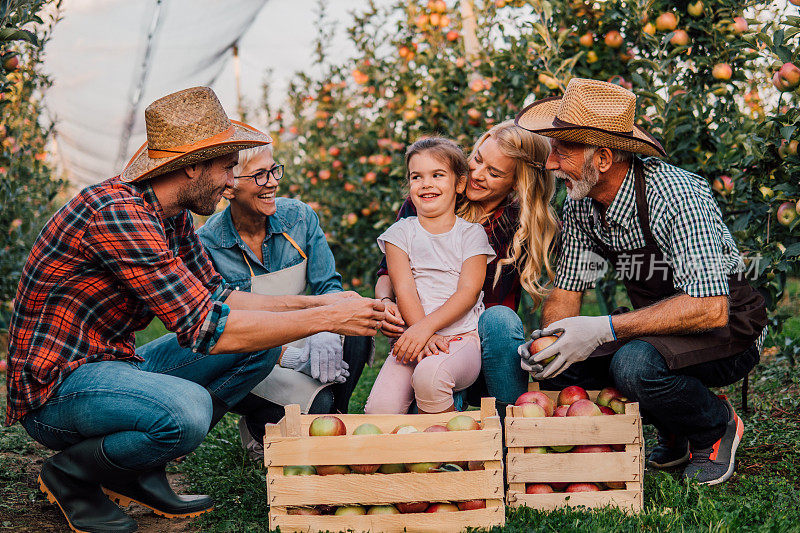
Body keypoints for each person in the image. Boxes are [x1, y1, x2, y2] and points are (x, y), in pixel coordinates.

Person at [5, 86, 385, 533]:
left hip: (114, 364)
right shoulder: (118, 215)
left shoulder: (171, 213)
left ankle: (137, 469)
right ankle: (72, 475)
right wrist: (326, 320)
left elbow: (218, 295)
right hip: (57, 387)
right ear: (191, 168)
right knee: (187, 412)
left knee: (256, 351)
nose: (231, 181)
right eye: (227, 168)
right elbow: (204, 327)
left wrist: (321, 301)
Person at [514, 78, 767, 485]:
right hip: (662, 327)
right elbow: (567, 289)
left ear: (604, 158)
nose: (550, 163)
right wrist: (551, 339)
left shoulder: (677, 195)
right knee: (560, 369)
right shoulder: (582, 203)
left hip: (728, 328)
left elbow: (709, 306)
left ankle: (713, 425)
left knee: (633, 365)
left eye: (563, 151)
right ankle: (674, 428)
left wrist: (605, 328)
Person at [142, 142, 372, 463]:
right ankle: (261, 424)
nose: (273, 182)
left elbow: (327, 285)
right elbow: (223, 325)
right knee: (317, 404)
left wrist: (327, 330)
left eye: (274, 170)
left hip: (300, 332)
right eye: (260, 175)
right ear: (229, 187)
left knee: (357, 327)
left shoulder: (299, 219)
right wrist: (291, 357)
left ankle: (333, 425)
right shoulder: (208, 244)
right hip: (251, 352)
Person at [375, 120, 559, 413]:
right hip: (428, 339)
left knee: (498, 317)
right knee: (406, 406)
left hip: (490, 350)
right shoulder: (433, 195)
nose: (477, 173)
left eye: (494, 172)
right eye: (477, 159)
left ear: (517, 183)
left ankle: (507, 423)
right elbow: (391, 271)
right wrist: (386, 303)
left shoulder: (518, 225)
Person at [364, 137, 495, 414]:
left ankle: (447, 451)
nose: (426, 183)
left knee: (429, 377)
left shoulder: (471, 234)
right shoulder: (399, 234)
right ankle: (401, 453)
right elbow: (405, 290)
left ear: (459, 184)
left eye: (437, 175)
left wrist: (426, 329)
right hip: (414, 337)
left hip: (460, 339)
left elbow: (468, 293)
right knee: (380, 410)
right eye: (416, 176)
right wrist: (421, 333)